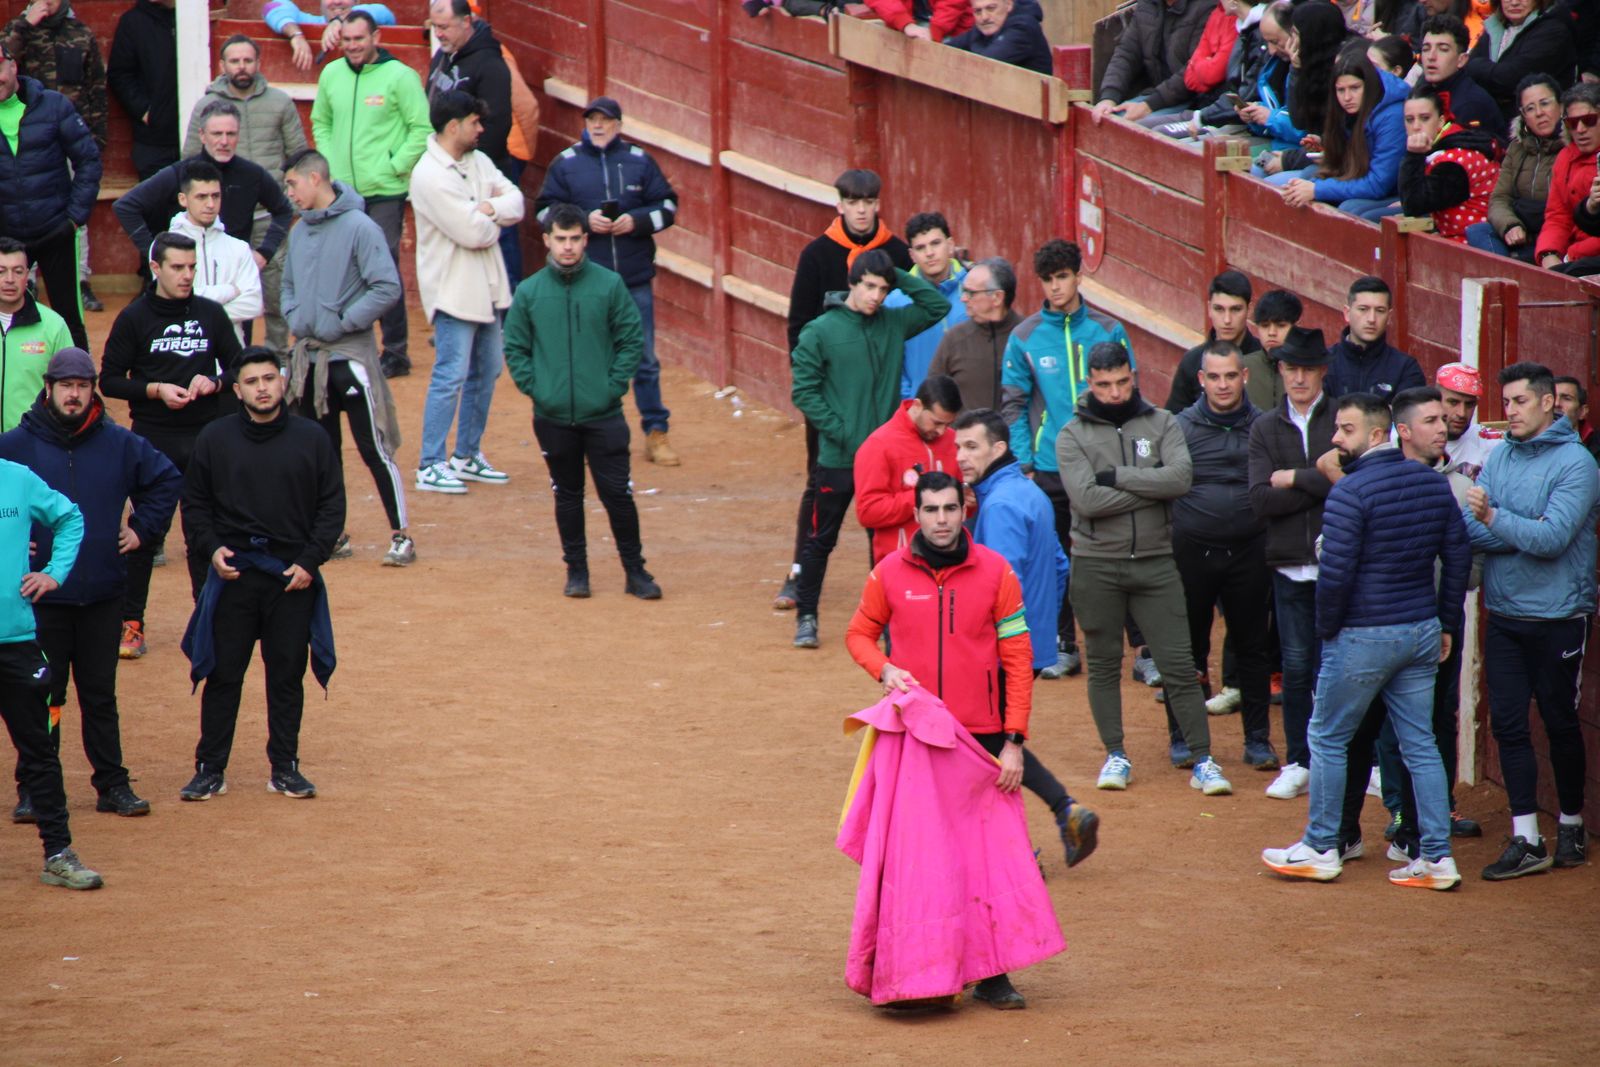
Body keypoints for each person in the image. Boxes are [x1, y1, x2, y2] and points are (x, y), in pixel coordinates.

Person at [843, 470, 1055, 1009]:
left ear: (967, 511)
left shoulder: (995, 572)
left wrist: (1014, 740)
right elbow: (859, 634)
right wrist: (884, 670)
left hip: (981, 737)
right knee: (920, 863)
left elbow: (1017, 659)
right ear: (916, 514)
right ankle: (923, 969)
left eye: (950, 509)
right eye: (931, 510)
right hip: (916, 736)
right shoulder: (889, 572)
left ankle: (993, 974)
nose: (941, 520)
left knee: (986, 858)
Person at [1261, 392, 1469, 891]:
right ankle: (1437, 857)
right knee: (1420, 744)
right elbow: (1457, 556)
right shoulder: (1430, 482)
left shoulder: (1350, 493)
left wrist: (1326, 632)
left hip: (1362, 634)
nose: (1336, 438)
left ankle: (1320, 845)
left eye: (1346, 429)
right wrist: (1444, 624)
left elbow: (1335, 575)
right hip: (1419, 630)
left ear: (1378, 434)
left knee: (1328, 738)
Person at [0, 347, 180, 821]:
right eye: (66, 386)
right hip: (40, 600)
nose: (74, 395)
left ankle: (112, 784)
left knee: (100, 693)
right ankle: (37, 788)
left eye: (82, 386)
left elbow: (166, 479)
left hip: (103, 590)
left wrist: (142, 530)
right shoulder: (14, 446)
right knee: (44, 696)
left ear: (92, 388)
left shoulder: (120, 443)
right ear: (49, 388)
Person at [1057, 341, 1235, 797]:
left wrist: (1116, 476)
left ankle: (1203, 759)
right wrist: (1151, 486)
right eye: (1103, 385)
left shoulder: (1162, 422)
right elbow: (1086, 501)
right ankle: (1115, 753)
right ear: (1089, 384)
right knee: (1101, 664)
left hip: (1156, 563)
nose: (1114, 393)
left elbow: (1180, 479)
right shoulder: (1071, 434)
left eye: (1121, 382)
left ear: (1132, 375)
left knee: (1178, 664)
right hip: (1096, 565)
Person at [178, 347, 345, 804]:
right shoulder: (214, 438)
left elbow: (332, 506)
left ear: (283, 382)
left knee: (286, 675)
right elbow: (194, 504)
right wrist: (212, 551)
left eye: (270, 378)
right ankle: (210, 769)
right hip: (234, 575)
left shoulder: (312, 439)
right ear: (237, 390)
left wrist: (310, 563)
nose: (263, 388)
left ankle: (285, 768)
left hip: (291, 578)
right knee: (223, 674)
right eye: (252, 382)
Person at [1462, 361, 1599, 879]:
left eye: (1519, 402)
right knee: (1510, 724)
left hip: (1559, 615)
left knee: (1561, 721)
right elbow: (1474, 533)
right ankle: (1525, 837)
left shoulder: (1578, 465)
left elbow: (1553, 539)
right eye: (1508, 402)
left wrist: (1497, 520)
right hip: (1506, 614)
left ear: (1548, 403)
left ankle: (1569, 822)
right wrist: (1511, 528)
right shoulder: (1502, 458)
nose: (1510, 412)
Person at [954, 408, 1100, 868]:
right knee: (993, 742)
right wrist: (1038, 630)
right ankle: (1063, 812)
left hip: (996, 651)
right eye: (958, 446)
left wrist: (981, 645)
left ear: (998, 449)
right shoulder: (1030, 492)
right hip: (1030, 646)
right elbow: (1059, 566)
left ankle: (1027, 845)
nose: (960, 456)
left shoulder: (997, 507)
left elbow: (993, 587)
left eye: (971, 446)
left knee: (983, 751)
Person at [503, 202, 662, 601]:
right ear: (547, 240)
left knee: (617, 495)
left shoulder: (608, 285)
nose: (568, 247)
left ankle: (635, 571)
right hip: (552, 415)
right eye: (561, 239)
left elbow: (631, 340)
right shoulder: (529, 291)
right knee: (567, 494)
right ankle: (577, 570)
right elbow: (515, 348)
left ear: (586, 240)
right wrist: (538, 389)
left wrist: (611, 387)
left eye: (575, 239)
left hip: (604, 413)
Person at [789, 251, 949, 648]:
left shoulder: (894, 323)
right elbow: (803, 392)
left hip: (887, 459)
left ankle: (887, 618)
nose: (877, 296)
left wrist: (891, 270)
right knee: (820, 538)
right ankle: (806, 616)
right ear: (852, 283)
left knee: (883, 541)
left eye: (884, 288)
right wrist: (841, 432)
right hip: (840, 457)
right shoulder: (819, 331)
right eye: (870, 286)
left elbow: (937, 304)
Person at [99, 232, 241, 659]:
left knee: (202, 532)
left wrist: (214, 381)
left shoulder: (211, 315)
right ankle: (132, 622)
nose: (186, 276)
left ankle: (207, 619)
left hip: (204, 438)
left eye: (192, 267)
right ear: (156, 268)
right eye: (177, 267)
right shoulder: (135, 318)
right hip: (153, 440)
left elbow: (240, 367)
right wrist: (156, 389)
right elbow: (109, 380)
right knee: (145, 533)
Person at [775, 169, 911, 611]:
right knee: (822, 480)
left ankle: (891, 582)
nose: (861, 210)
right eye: (853, 202)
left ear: (877, 205)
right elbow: (798, 326)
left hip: (886, 397)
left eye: (869, 202)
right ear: (840, 204)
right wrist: (819, 389)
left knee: (889, 490)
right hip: (835, 398)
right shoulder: (817, 254)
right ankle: (800, 573)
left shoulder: (895, 253)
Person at [1000, 239, 1136, 682]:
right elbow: (1013, 405)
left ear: (1079, 276)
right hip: (1048, 468)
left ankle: (1143, 647)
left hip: (1105, 467)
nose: (1056, 287)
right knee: (1052, 556)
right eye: (1048, 279)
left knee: (1121, 551)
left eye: (1063, 277)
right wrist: (1023, 464)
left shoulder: (1109, 330)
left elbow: (1129, 394)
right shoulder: (1024, 337)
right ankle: (1062, 643)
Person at [279, 149, 412, 568]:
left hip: (350, 358)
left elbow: (387, 286)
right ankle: (333, 534)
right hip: (311, 362)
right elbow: (286, 287)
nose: (290, 193)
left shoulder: (361, 226)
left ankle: (402, 535)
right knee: (322, 451)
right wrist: (298, 317)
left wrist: (342, 322)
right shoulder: (299, 232)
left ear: (315, 178)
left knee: (374, 447)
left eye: (292, 184)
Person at [535, 96, 681, 465]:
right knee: (589, 358)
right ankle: (589, 434)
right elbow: (543, 211)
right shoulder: (566, 164)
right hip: (585, 282)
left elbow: (668, 206)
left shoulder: (639, 161)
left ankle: (655, 433)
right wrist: (584, 221)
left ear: (618, 124)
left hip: (633, 279)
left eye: (605, 120)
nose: (598, 126)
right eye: (592, 120)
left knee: (645, 359)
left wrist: (637, 221)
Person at [408, 90, 523, 494]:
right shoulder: (428, 175)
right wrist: (491, 215)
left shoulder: (479, 160)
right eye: (475, 122)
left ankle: (466, 455)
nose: (481, 129)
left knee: (488, 369)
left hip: (488, 287)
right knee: (450, 374)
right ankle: (430, 463)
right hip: (453, 289)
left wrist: (487, 209)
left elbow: (516, 201)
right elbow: (473, 234)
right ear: (453, 126)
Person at [1173, 342, 1278, 770]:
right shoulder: (1179, 427)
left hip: (1250, 550)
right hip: (1192, 550)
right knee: (1188, 648)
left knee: (1252, 648)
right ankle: (1186, 739)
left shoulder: (1266, 426)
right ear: (1201, 379)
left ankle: (1257, 740)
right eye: (1213, 377)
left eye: (1230, 376)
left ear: (1245, 377)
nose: (1222, 385)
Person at [310, 10, 430, 378]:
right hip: (342, 192)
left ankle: (395, 351)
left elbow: (421, 128)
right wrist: (331, 165)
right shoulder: (331, 73)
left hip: (384, 192)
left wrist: (393, 166)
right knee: (343, 266)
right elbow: (321, 121)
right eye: (346, 40)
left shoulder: (400, 76)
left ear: (376, 37)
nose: (352, 47)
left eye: (359, 39)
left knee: (382, 267)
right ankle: (345, 345)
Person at [0, 431, 93, 886]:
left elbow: (70, 518)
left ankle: (58, 853)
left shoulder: (17, 479)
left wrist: (54, 573)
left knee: (39, 750)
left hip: (15, 642)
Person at [1246, 325, 1334, 801]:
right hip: (1289, 566)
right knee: (1299, 668)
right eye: (1290, 368)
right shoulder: (1264, 426)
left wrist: (1293, 478)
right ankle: (1300, 759)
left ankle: (1348, 761)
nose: (1298, 378)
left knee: (1337, 670)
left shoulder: (1343, 416)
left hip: (1338, 565)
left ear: (1322, 371)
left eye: (1307, 369)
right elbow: (1260, 499)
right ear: (1280, 370)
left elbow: (1350, 484)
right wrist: (1318, 480)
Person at [181, 34, 309, 355]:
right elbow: (189, 164)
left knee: (277, 296)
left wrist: (289, 204)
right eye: (235, 61)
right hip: (222, 224)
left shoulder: (280, 102)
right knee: (226, 295)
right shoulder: (206, 107)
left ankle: (279, 359)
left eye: (248, 60)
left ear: (258, 63)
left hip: (268, 220)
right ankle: (231, 359)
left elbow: (298, 157)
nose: (242, 66)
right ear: (223, 65)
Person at [115, 101, 295, 298]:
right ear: (202, 135)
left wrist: (264, 253)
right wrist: (155, 252)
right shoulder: (180, 173)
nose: (224, 141)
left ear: (238, 135)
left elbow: (284, 210)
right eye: (217, 134)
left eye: (231, 134)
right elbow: (126, 206)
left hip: (233, 279)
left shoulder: (252, 174)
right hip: (186, 279)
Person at [3, 0, 108, 313]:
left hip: (64, 136)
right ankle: (28, 278)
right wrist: (26, 24)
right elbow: (3, 52)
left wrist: (97, 136)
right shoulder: (17, 31)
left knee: (74, 215)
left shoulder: (80, 33)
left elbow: (95, 86)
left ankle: (82, 280)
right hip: (19, 157)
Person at [0, 44, 98, 352]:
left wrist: (73, 219)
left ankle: (83, 394)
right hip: (6, 240)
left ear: (13, 67)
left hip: (56, 230)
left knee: (69, 317)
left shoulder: (53, 105)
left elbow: (89, 161)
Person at [1281, 44, 1410, 216]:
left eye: (1355, 88)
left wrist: (1317, 190)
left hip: (1394, 191)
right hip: (1363, 178)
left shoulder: (1392, 116)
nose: (1347, 97)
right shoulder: (1347, 109)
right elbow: (1344, 163)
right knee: (1307, 176)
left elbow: (1379, 184)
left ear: (1369, 84)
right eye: (1341, 90)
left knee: (1349, 209)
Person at [853, 374, 963, 566]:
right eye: (937, 422)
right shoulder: (878, 446)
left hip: (949, 563)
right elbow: (868, 511)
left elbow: (963, 506)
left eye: (948, 424)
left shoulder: (954, 441)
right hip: (901, 567)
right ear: (918, 405)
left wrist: (967, 501)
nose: (942, 432)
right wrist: (923, 498)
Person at [163, 161, 265, 342]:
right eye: (201, 197)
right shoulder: (163, 248)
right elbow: (171, 304)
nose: (210, 204)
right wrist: (230, 291)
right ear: (183, 199)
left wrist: (197, 307)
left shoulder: (239, 248)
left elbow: (254, 304)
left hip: (230, 361)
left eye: (215, 196)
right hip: (183, 359)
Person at [1465, 72, 1562, 259]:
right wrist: (1510, 225)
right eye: (1530, 109)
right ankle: (1502, 280)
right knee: (1478, 231)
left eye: (1545, 103)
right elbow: (1499, 198)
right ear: (1523, 116)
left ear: (1561, 105)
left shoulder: (1572, 147)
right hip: (1524, 228)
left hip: (1554, 233)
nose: (1539, 113)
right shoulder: (1517, 147)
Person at [1253, 2, 1347, 185]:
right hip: (1315, 151)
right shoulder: (1311, 65)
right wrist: (1296, 70)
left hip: (1340, 161)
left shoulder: (1344, 69)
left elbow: (1341, 143)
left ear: (1312, 35)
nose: (1292, 43)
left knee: (1278, 184)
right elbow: (1300, 120)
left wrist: (1290, 159)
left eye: (1296, 35)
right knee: (1258, 168)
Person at [1398, 81, 1501, 240]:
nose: (1416, 126)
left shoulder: (1454, 162)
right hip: (1450, 234)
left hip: (1473, 244)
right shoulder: (1443, 145)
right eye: (1409, 120)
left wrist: (1413, 156)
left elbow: (1413, 205)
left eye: (1424, 118)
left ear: (1440, 121)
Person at [1164, 270, 1275, 413]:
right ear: (1209, 308)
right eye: (1219, 309)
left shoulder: (1267, 359)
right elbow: (1174, 424)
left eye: (1235, 309)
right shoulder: (1192, 362)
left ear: (1249, 309)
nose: (1227, 320)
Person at [1093, 0, 1220, 122]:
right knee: (1109, 119)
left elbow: (1194, 70)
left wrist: (1149, 105)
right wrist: (1109, 98)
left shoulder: (1206, 6)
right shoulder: (1148, 4)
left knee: (1135, 129)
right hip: (1156, 95)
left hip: (1195, 101)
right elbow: (1127, 54)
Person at [927, 257, 1021, 413]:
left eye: (971, 293)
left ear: (997, 297)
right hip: (964, 436)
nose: (963, 299)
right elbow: (933, 394)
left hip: (1017, 436)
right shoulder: (954, 339)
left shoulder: (1026, 336)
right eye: (964, 291)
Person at [891, 212, 967, 399]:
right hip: (919, 411)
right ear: (912, 255)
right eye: (920, 247)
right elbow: (892, 362)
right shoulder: (895, 301)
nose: (929, 253)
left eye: (935, 243)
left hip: (971, 410)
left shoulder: (975, 288)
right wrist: (909, 403)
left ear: (950, 245)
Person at [0, 237, 73, 432]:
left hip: (32, 441)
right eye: (1, 271)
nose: (9, 279)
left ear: (27, 275)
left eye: (18, 271)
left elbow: (71, 386)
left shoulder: (53, 325)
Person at [1465, 0, 1576, 126]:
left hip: (1540, 128)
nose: (1514, 2)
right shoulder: (1496, 26)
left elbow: (1509, 78)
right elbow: (1468, 71)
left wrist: (1475, 66)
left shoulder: (1553, 30)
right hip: (1495, 122)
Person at [1324, 275, 1426, 399]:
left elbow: (1409, 415)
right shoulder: (1324, 364)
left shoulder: (1405, 368)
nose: (1371, 319)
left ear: (1389, 316)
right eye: (1363, 309)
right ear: (1347, 313)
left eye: (1380, 310)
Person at [1534, 83, 1600, 275]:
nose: (1580, 129)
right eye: (1572, 123)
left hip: (1586, 256)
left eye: (1588, 120)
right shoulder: (1565, 157)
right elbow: (1557, 215)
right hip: (1570, 255)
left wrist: (1571, 255)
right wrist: (1548, 253)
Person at [107, 0, 175, 179]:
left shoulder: (194, 20)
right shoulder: (133, 22)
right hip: (154, 142)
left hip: (196, 136)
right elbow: (119, 74)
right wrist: (146, 111)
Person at [1418, 14, 1508, 140]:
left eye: (1443, 49)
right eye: (1426, 49)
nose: (1431, 56)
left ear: (1462, 60)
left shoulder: (1471, 105)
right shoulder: (1420, 91)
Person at [263, 0, 396, 74]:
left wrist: (341, 20)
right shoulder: (312, 22)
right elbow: (272, 6)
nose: (337, 1)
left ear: (356, 2)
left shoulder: (371, 15)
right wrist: (296, 34)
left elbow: (384, 13)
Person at [945, 0, 1052, 74]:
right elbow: (946, 50)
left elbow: (985, 64)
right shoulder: (984, 27)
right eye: (978, 11)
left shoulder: (1023, 28)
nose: (984, 17)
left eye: (991, 8)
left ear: (1009, 5)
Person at [1436, 360, 1502, 478]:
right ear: (1435, 400)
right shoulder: (1407, 440)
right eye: (1453, 402)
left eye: (1469, 405)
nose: (1461, 413)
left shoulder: (1495, 443)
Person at [864, 0, 972, 41]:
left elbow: (952, 4)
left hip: (954, 31)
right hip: (908, 27)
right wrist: (905, 24)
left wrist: (935, 32)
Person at [1553, 374, 1600, 460]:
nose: (1556, 404)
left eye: (1566, 398)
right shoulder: (1527, 444)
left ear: (1582, 411)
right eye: (1552, 398)